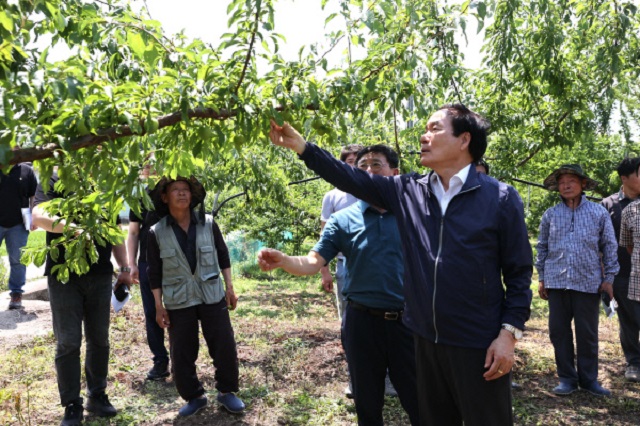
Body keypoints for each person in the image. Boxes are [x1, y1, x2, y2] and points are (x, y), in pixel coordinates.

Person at [268, 103, 532, 426]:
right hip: (423, 341)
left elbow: (519, 274)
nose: (424, 136)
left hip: (477, 342)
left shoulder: (500, 199)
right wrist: (302, 147)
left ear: (464, 140)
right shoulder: (409, 192)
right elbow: (349, 177)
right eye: (425, 128)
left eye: (434, 128)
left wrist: (508, 336)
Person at [258, 145, 419, 426]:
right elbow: (312, 261)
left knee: (419, 400)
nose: (368, 170)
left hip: (407, 323)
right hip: (361, 322)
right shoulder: (343, 219)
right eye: (362, 166)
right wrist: (284, 260)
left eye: (376, 165)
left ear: (395, 173)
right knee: (367, 402)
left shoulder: (414, 215)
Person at [32, 171, 132, 426]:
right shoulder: (54, 179)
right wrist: (73, 229)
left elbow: (114, 229)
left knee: (99, 338)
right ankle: (72, 404)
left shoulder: (104, 181)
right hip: (64, 274)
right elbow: (39, 215)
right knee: (68, 341)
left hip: (99, 274)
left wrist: (124, 267)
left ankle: (96, 395)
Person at [147, 176, 245, 417]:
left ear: (192, 196)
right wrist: (158, 306)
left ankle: (227, 392)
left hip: (212, 293)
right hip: (178, 297)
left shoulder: (208, 223)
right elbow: (154, 272)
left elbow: (223, 256)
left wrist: (230, 287)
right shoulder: (156, 232)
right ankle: (194, 396)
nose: (182, 194)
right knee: (181, 350)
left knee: (223, 343)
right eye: (175, 190)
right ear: (164, 197)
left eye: (186, 190)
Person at [536, 164, 619, 397]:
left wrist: (609, 278)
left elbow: (609, 246)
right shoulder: (550, 214)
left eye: (571, 180)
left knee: (587, 334)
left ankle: (589, 379)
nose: (566, 185)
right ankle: (567, 378)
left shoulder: (598, 213)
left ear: (583, 184)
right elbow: (542, 248)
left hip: (588, 281)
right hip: (557, 282)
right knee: (558, 332)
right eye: (562, 182)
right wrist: (542, 277)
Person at [320, 143, 363, 320]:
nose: (354, 165)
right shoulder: (332, 196)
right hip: (344, 262)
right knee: (347, 310)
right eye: (350, 161)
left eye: (358, 161)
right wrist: (325, 271)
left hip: (371, 260)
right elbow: (325, 235)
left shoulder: (373, 192)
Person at [127, 195, 168, 380]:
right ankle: (160, 360)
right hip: (147, 262)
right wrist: (132, 264)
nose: (151, 168)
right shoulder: (140, 197)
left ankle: (181, 358)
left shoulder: (174, 189)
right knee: (152, 312)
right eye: (146, 165)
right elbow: (134, 232)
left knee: (179, 310)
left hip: (176, 262)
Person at [614, 159, 640, 383]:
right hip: (622, 273)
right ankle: (633, 362)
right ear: (625, 178)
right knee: (628, 320)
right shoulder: (609, 205)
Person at [0, 162, 38, 310]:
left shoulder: (26, 170)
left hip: (18, 224)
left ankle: (16, 293)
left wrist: (34, 216)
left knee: (18, 260)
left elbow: (33, 195)